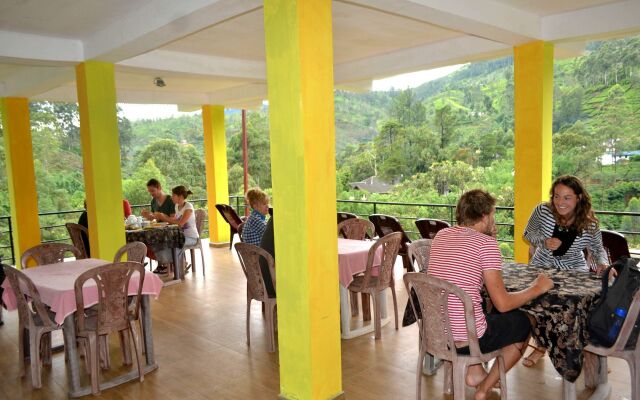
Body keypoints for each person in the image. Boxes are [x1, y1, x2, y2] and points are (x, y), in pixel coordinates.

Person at [428, 189, 553, 400]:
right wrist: (538, 288)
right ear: (485, 216)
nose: (494, 219)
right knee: (525, 322)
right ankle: (484, 388)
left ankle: (475, 373)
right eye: (493, 215)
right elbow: (503, 303)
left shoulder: (442, 234)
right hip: (466, 336)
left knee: (483, 310)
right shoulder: (486, 244)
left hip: (437, 331)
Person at [521, 175, 609, 367]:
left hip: (574, 268)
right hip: (542, 264)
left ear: (579, 197)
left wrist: (603, 263)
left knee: (581, 306)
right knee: (538, 306)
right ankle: (541, 347)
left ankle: (585, 352)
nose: (560, 202)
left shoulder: (589, 222)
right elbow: (527, 233)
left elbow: (597, 248)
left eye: (567, 197)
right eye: (556, 196)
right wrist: (543, 242)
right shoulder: (542, 211)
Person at [153, 186, 199, 274]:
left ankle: (179, 267)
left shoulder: (188, 207)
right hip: (180, 236)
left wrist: (164, 217)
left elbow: (180, 224)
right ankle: (171, 265)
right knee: (163, 241)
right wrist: (162, 216)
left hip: (191, 237)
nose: (171, 197)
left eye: (173, 195)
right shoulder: (177, 206)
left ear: (180, 196)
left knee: (173, 243)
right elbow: (174, 221)